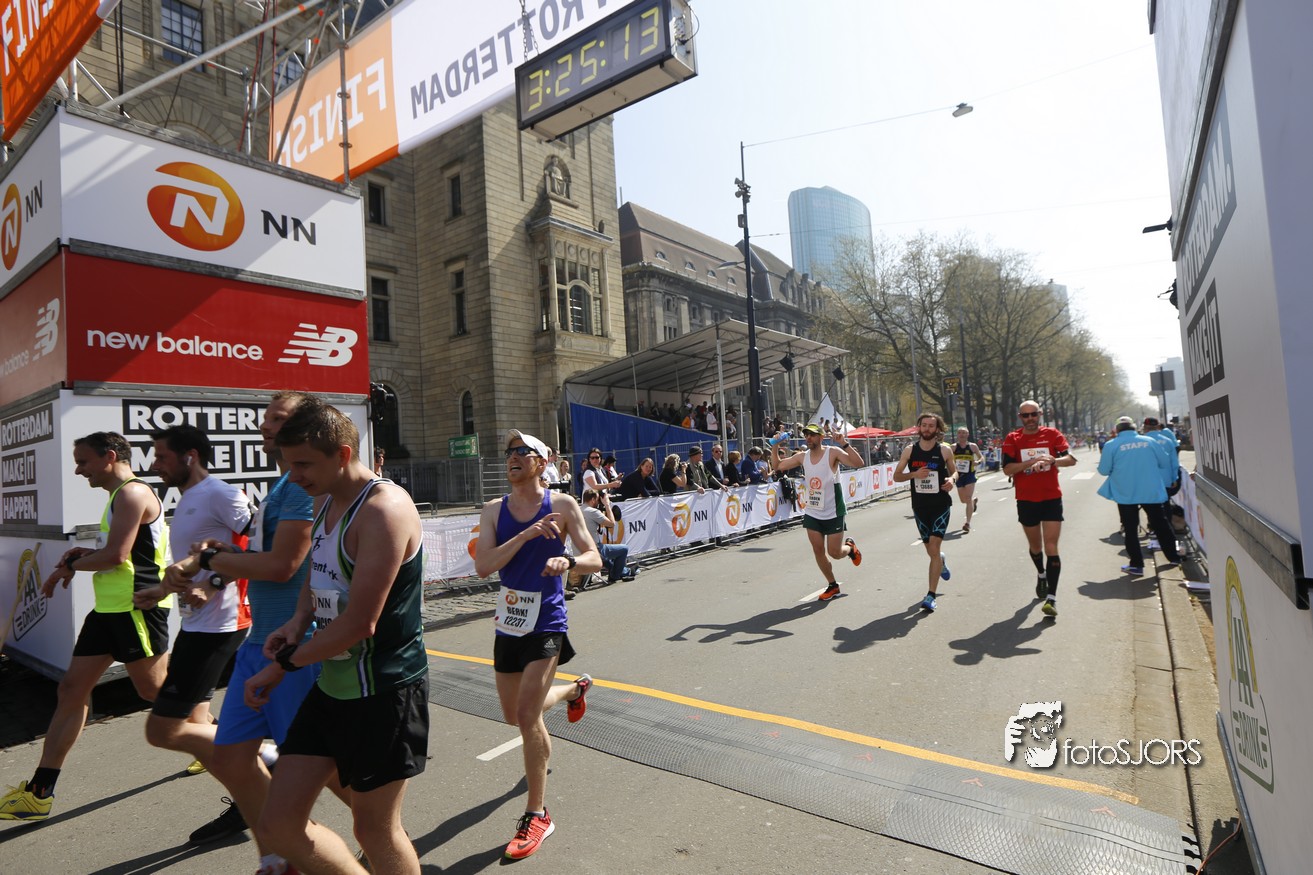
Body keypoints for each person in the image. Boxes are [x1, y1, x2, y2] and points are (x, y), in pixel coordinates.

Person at [245, 403, 428, 874]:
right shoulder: (323, 499)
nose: (294, 475)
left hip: (382, 690)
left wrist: (283, 665)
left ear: (343, 454)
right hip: (333, 684)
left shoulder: (383, 510)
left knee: (375, 830)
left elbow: (361, 623)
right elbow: (319, 567)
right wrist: (297, 620)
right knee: (278, 824)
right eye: (289, 464)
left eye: (304, 464)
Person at [171, 391, 323, 865]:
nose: (265, 426)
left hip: (292, 645)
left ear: (305, 429)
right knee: (232, 759)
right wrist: (223, 563)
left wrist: (212, 562)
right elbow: (261, 557)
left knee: (328, 773)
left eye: (277, 418)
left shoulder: (298, 489)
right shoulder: (280, 487)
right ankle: (275, 859)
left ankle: (371, 838)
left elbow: (283, 566)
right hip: (259, 642)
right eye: (266, 418)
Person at [1, 433, 170, 822]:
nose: (79, 471)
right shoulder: (118, 497)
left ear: (109, 457)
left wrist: (72, 566)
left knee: (154, 691)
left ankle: (228, 744)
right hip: (108, 610)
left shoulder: (132, 493)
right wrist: (83, 555)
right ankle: (39, 793)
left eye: (83, 462)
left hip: (136, 610)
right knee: (71, 690)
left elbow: (117, 556)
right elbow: (118, 551)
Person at [473, 430, 602, 860]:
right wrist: (526, 536)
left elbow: (595, 557)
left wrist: (569, 560)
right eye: (509, 452)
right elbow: (484, 566)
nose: (512, 457)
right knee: (514, 715)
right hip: (509, 622)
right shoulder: (493, 510)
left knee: (528, 716)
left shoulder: (561, 504)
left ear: (542, 461)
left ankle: (537, 814)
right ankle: (572, 691)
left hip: (547, 621)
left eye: (522, 451)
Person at [138, 425, 253, 786]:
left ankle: (263, 765)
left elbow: (259, 548)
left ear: (190, 457)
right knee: (196, 719)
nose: (155, 465)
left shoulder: (221, 494)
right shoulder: (189, 496)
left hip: (221, 624)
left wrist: (213, 584)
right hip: (197, 622)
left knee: (165, 728)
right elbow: (194, 564)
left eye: (162, 457)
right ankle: (248, 789)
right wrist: (160, 590)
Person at [771, 423, 865, 601]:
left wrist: (843, 443)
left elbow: (858, 463)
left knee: (835, 553)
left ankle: (850, 548)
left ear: (821, 437)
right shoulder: (802, 456)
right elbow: (777, 466)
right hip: (813, 511)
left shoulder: (833, 452)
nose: (809, 438)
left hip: (833, 510)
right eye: (806, 435)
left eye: (813, 435)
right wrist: (775, 445)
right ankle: (832, 585)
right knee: (818, 549)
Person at [1001, 401, 1077, 619]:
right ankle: (1041, 574)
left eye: (1033, 414)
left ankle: (1051, 598)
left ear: (1040, 414)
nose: (1030, 419)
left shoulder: (1052, 434)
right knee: (1036, 547)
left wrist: (1053, 460)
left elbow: (1071, 459)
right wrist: (1032, 461)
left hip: (1051, 498)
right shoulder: (1013, 438)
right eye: (1025, 416)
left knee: (1051, 546)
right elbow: (1007, 469)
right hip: (1026, 500)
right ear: (1020, 417)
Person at [1097, 417, 1183, 575]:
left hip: (1125, 492)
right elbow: (1164, 462)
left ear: (1117, 430)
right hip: (1150, 490)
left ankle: (1137, 565)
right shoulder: (1150, 442)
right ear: (1135, 428)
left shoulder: (1111, 445)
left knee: (1130, 529)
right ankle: (1174, 557)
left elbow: (1103, 470)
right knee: (1161, 524)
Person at [892, 414, 957, 611]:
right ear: (919, 427)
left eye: (931, 426)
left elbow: (955, 472)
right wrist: (914, 474)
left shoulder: (944, 450)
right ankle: (941, 562)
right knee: (932, 552)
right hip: (920, 507)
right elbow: (896, 476)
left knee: (934, 548)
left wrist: (952, 480)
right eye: (924, 425)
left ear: (937, 429)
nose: (927, 429)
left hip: (941, 505)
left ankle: (931, 595)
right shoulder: (910, 450)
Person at [580, 489, 639, 583]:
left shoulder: (579, 510)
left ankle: (624, 572)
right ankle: (616, 575)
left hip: (580, 549)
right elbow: (612, 523)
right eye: (598, 499)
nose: (599, 502)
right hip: (594, 549)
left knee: (607, 558)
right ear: (593, 500)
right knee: (624, 548)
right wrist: (607, 505)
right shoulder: (593, 512)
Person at [950, 427, 985, 533]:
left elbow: (981, 457)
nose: (962, 435)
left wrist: (978, 462)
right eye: (960, 433)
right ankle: (973, 502)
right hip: (958, 475)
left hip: (970, 474)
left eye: (964, 433)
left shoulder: (973, 446)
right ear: (957, 435)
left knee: (968, 498)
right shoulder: (953, 447)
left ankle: (967, 523)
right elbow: (947, 459)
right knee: (963, 500)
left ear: (967, 434)